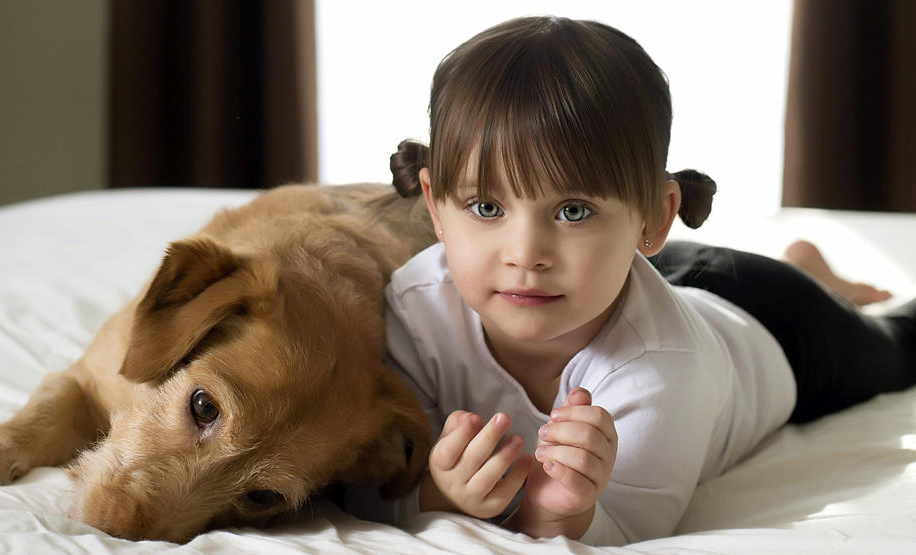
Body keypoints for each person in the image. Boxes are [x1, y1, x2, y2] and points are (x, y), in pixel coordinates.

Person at [346, 15, 916, 546]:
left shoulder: (664, 369)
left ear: (654, 217)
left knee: (900, 346)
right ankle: (811, 268)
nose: (525, 255)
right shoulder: (415, 311)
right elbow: (366, 484)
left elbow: (629, 525)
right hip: (641, 273)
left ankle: (812, 281)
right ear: (436, 207)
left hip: (782, 326)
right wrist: (438, 496)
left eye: (573, 211)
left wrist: (561, 512)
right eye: (486, 208)